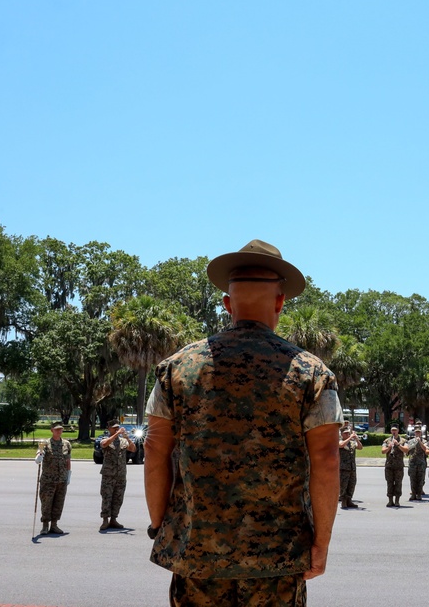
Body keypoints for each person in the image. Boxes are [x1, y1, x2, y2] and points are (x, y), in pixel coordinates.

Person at [144, 239, 343, 607]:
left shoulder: (175, 368)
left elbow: (155, 447)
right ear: (280, 302)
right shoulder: (311, 372)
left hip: (196, 555)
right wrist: (321, 543)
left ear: (228, 304)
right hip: (276, 560)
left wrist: (161, 526)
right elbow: (328, 460)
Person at [35, 421, 72, 535]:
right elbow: (39, 455)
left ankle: (54, 525)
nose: (59, 431)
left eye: (60, 429)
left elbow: (68, 461)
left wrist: (68, 475)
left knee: (58, 502)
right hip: (48, 480)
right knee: (46, 502)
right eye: (56, 429)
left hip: (62, 479)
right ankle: (45, 525)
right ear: (52, 430)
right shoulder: (45, 443)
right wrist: (39, 456)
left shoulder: (66, 444)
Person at [99, 420, 137, 530]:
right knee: (107, 497)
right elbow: (104, 444)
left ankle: (114, 519)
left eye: (117, 427)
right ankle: (105, 520)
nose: (116, 429)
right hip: (108, 474)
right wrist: (116, 434)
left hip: (121, 474)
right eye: (114, 428)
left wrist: (127, 437)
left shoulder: (123, 441)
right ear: (109, 429)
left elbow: (133, 449)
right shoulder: (106, 439)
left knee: (118, 498)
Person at [339, 425, 363, 509]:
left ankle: (349, 500)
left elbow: (360, 447)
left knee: (352, 484)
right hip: (343, 468)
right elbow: (341, 445)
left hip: (352, 468)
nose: (347, 434)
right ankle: (343, 501)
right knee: (343, 485)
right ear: (341, 434)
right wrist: (350, 438)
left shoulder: (352, 443)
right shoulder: (339, 441)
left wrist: (356, 438)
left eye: (348, 433)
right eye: (345, 433)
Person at [381, 426, 406, 507]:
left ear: (398, 431)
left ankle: (397, 501)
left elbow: (406, 449)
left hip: (399, 466)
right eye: (392, 430)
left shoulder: (403, 440)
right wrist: (389, 447)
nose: (394, 432)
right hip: (389, 466)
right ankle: (390, 500)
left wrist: (398, 445)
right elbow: (383, 451)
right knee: (390, 483)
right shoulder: (387, 440)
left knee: (398, 483)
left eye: (395, 430)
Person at [406, 426, 429, 501]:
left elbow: (425, 449)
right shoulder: (410, 441)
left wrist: (419, 442)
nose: (417, 433)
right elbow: (407, 450)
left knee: (420, 479)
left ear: (421, 433)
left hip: (421, 463)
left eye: (419, 432)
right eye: (416, 432)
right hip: (412, 462)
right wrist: (414, 444)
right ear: (414, 433)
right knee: (412, 479)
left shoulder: (424, 441)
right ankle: (413, 494)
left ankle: (419, 494)